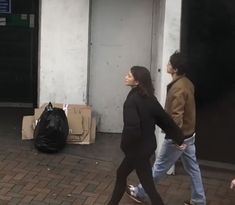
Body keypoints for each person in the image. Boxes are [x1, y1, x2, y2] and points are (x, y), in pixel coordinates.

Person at [126, 51, 206, 205]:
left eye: (169, 64)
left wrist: (175, 138)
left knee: (159, 167)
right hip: (189, 135)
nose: (167, 65)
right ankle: (199, 201)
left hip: (179, 137)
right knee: (193, 169)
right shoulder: (187, 83)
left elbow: (176, 116)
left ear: (175, 69)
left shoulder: (178, 89)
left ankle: (141, 193)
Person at [107, 66, 185, 205]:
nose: (126, 76)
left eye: (129, 75)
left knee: (125, 175)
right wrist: (178, 137)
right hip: (147, 147)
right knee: (144, 181)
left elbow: (132, 129)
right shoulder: (149, 97)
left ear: (137, 82)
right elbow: (164, 119)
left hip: (137, 150)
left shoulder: (132, 101)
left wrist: (125, 147)